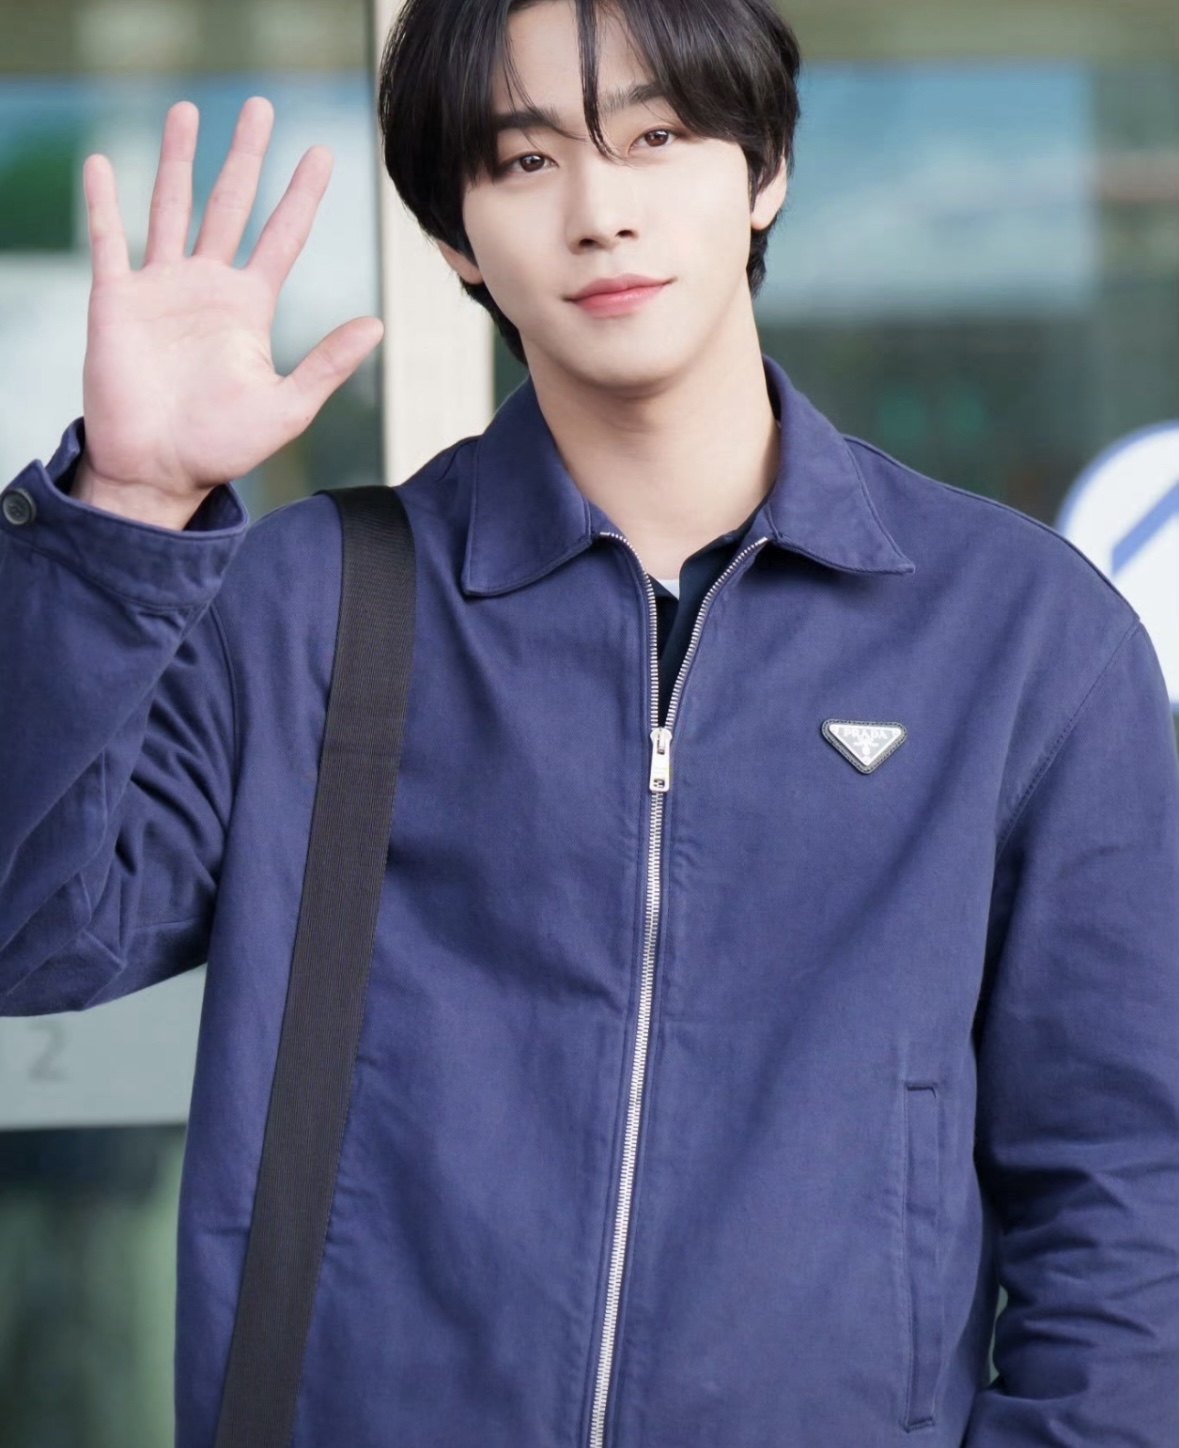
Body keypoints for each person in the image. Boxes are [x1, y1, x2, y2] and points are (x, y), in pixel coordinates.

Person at [2, 0, 1178, 1443]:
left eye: (657, 136)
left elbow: (1127, 1200)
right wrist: (123, 511)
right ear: (455, 238)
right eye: (526, 160)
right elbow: (27, 934)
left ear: (765, 169)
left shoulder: (1022, 638)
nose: (601, 211)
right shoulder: (311, 610)